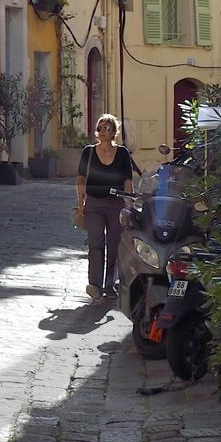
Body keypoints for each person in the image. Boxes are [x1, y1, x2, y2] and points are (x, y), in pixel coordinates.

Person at [76, 114, 140, 303]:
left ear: (114, 132)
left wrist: (130, 202)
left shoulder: (122, 154)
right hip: (94, 203)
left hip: (116, 204)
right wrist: (81, 203)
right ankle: (94, 285)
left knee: (114, 245)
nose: (104, 131)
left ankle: (109, 284)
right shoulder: (88, 152)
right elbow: (80, 179)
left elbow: (127, 180)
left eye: (108, 128)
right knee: (96, 244)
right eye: (101, 128)